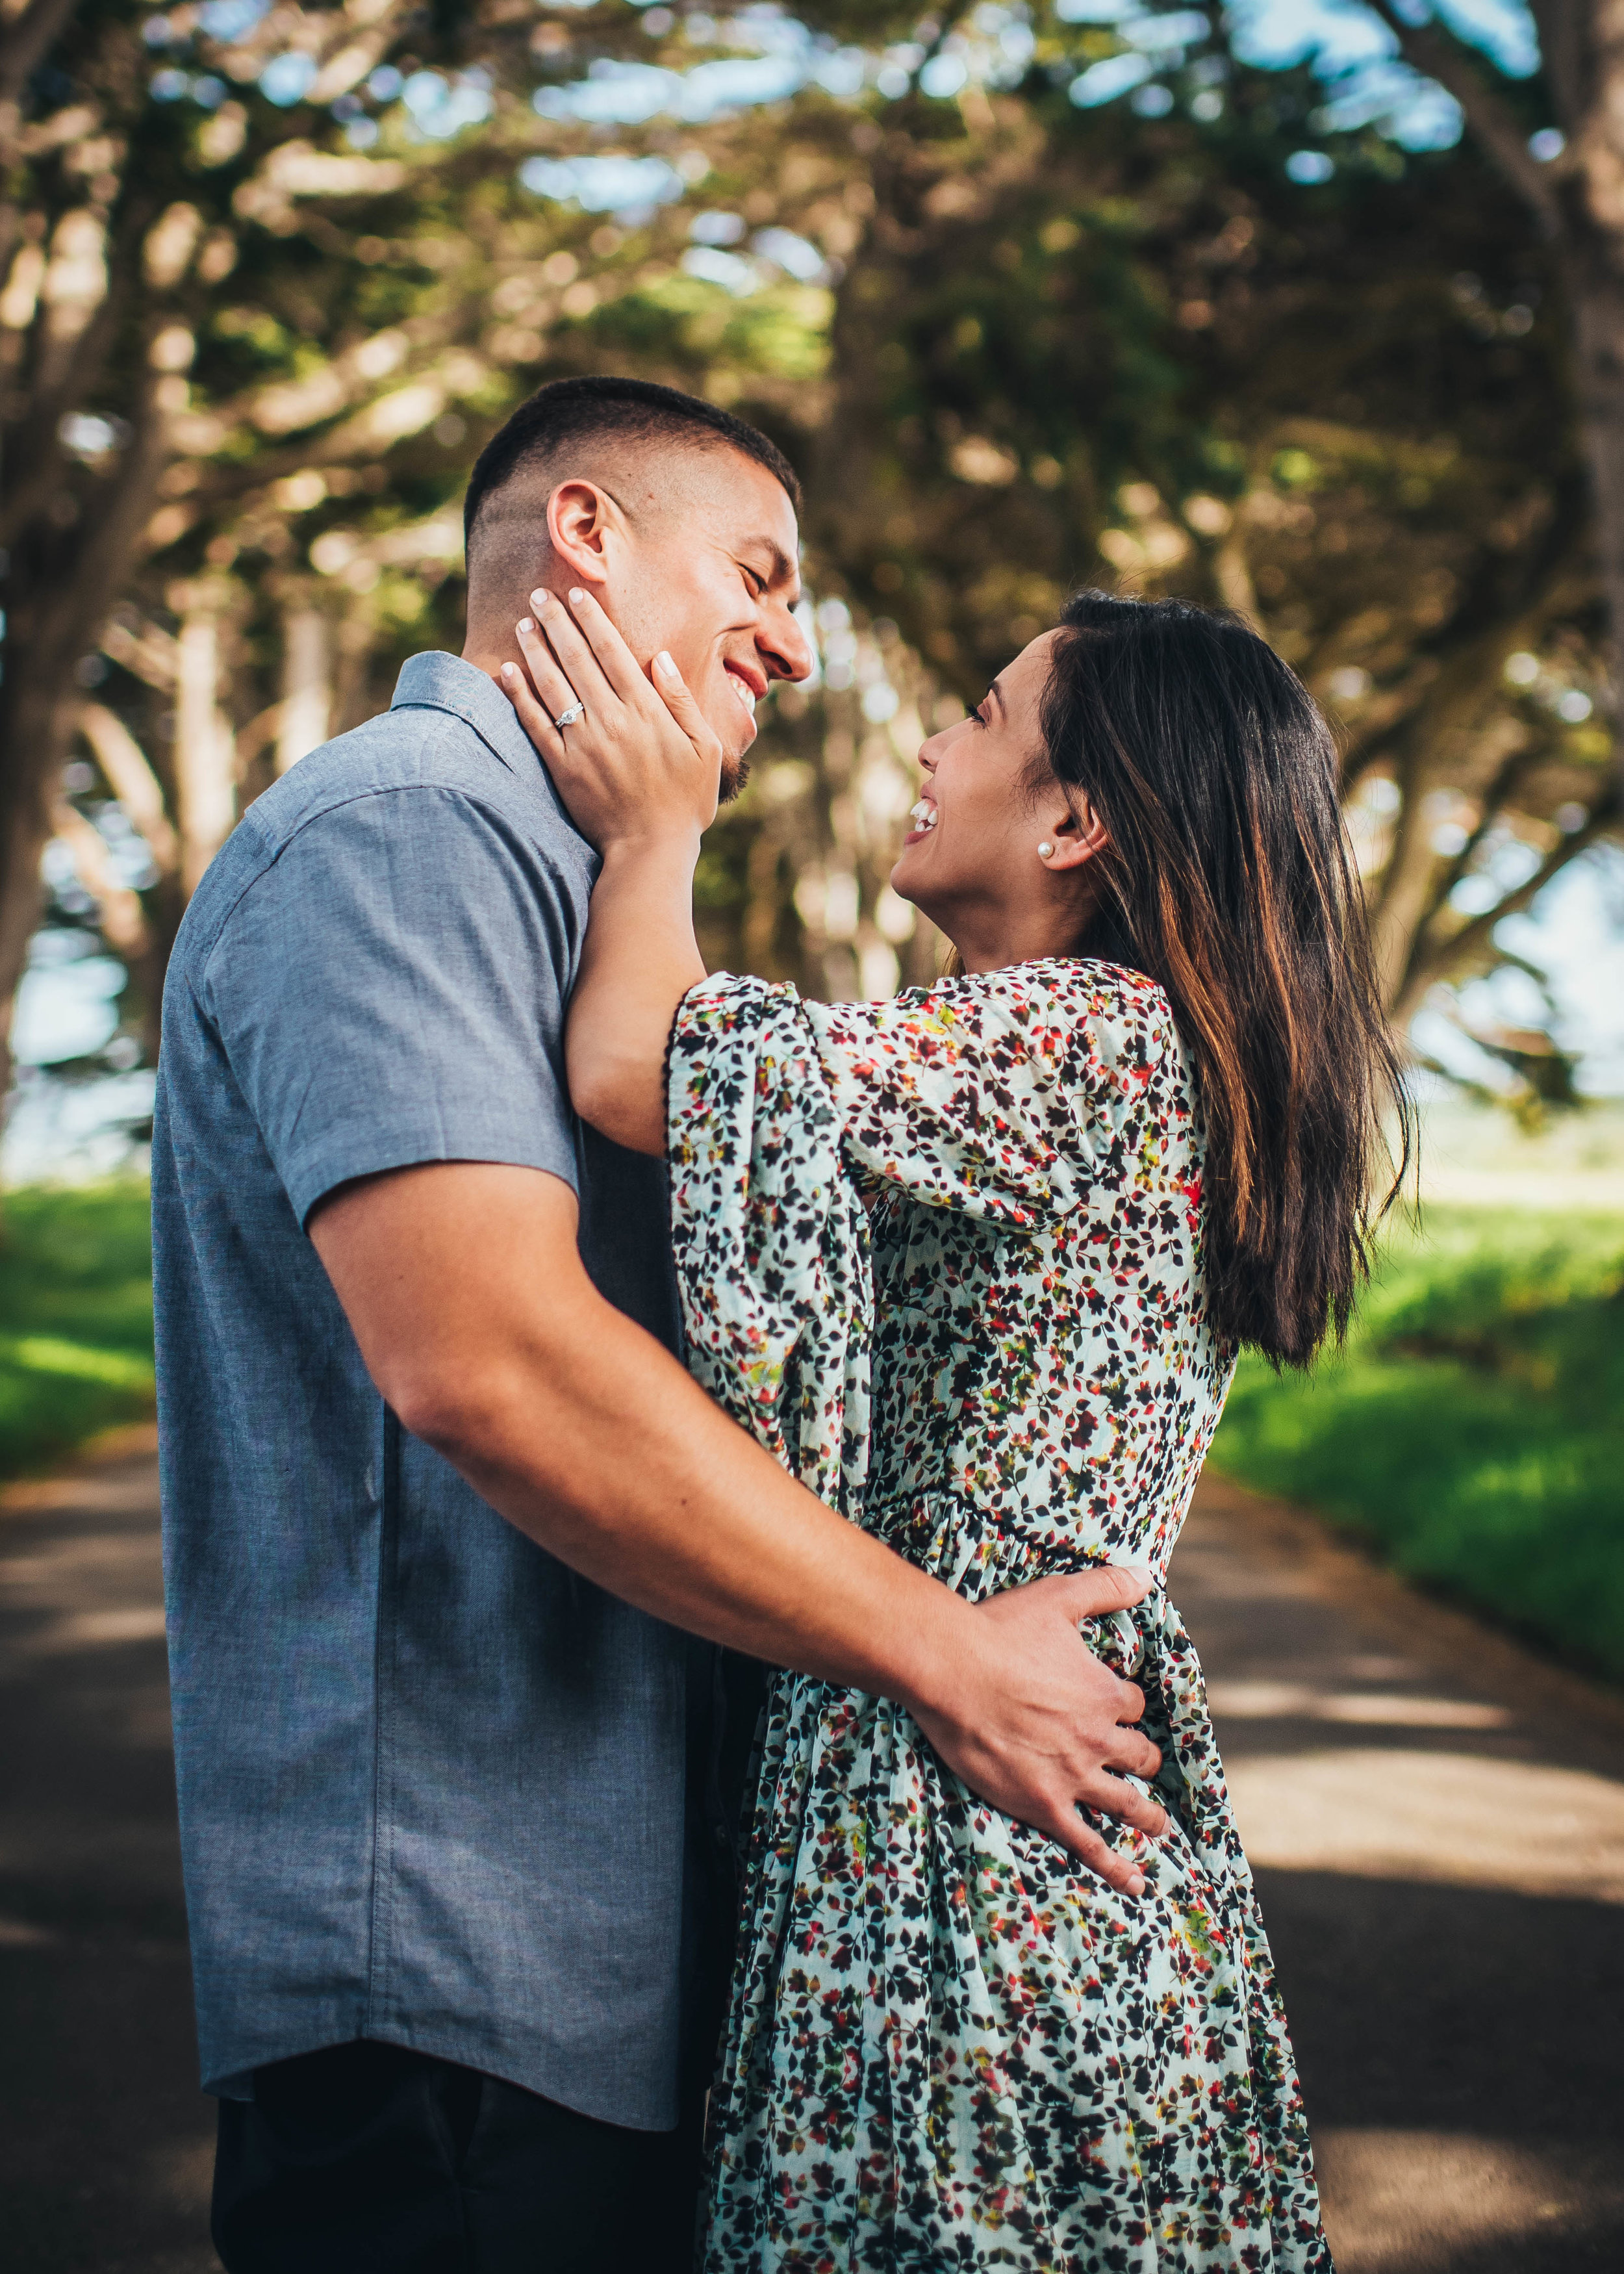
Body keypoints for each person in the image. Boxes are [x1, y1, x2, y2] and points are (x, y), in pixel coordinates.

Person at [152, 377, 1170, 2274]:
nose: (793, 645)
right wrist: (946, 1656)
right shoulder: (408, 834)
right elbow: (491, 1359)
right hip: (458, 1953)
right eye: (761, 575)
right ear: (587, 540)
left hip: (610, 1945)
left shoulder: (574, 876)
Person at [500, 578, 1410, 2269]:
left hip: (964, 1737)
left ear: (1075, 819)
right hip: (1014, 1703)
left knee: (940, 2198)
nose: (931, 739)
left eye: (981, 713)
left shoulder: (1087, 1028)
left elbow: (651, 1073)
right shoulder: (1119, 1042)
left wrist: (652, 832)